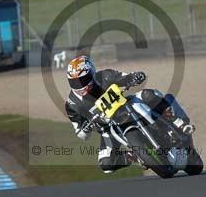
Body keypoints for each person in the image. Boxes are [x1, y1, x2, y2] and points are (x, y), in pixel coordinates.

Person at [64, 55, 194, 173]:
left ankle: (176, 120)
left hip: (126, 106)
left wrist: (135, 77)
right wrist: (85, 129)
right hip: (108, 129)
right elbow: (80, 133)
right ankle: (135, 156)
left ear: (92, 73)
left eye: (84, 79)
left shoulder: (105, 76)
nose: (80, 86)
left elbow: (125, 77)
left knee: (150, 94)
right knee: (106, 164)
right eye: (74, 82)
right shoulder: (71, 104)